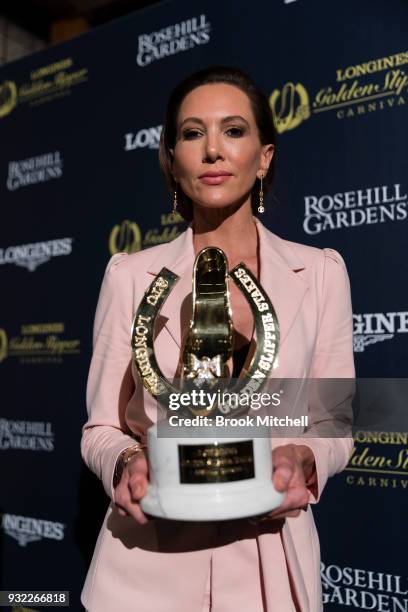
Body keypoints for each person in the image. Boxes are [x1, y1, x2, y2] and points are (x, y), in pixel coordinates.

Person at [80, 65, 355, 612]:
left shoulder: (320, 273)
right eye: (191, 133)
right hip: (144, 570)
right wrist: (125, 463)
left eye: (233, 130)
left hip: (272, 568)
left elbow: (335, 424)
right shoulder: (130, 276)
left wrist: (302, 457)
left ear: (265, 157)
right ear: (172, 159)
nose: (211, 151)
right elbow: (101, 428)